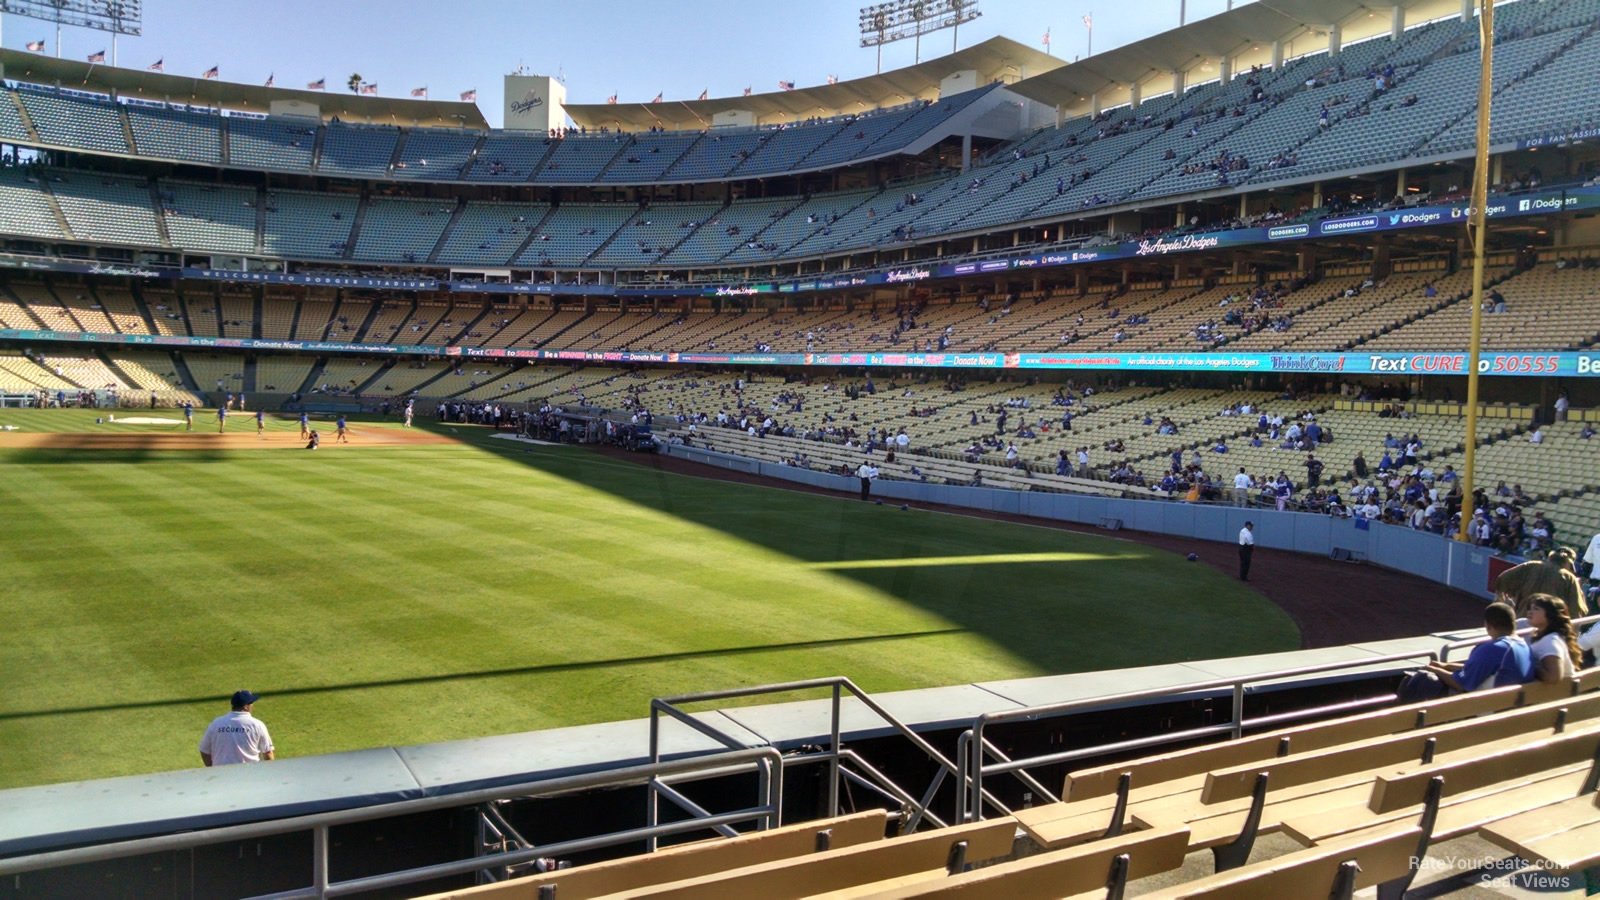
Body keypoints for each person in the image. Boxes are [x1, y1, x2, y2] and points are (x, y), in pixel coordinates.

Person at [1398, 602, 1532, 701]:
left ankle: (1404, 725)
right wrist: (1446, 666)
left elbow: (1461, 684)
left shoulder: (1493, 648)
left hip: (1486, 709)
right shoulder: (1524, 646)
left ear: (1488, 626)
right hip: (1511, 706)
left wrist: (1435, 669)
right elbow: (1485, 669)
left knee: (1424, 679)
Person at [198, 690, 275, 766]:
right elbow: (268, 753)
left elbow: (204, 750)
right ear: (246, 706)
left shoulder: (216, 723)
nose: (252, 705)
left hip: (221, 775)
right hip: (250, 775)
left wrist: (212, 769)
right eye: (251, 703)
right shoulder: (257, 725)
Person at [1526, 594, 1580, 683]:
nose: (1529, 612)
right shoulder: (1550, 638)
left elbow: (1554, 677)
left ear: (1550, 615)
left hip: (1553, 696)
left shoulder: (1551, 641)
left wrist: (1527, 663)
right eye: (1530, 608)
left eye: (1536, 609)